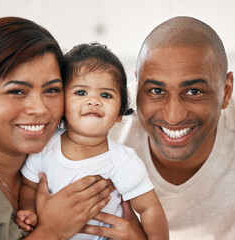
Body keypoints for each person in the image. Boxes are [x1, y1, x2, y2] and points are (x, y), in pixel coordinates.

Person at [0, 16, 144, 240]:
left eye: (51, 90)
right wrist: (51, 232)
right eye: (17, 91)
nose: (39, 109)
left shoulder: (62, 158)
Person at [109, 16, 235, 239]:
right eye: (156, 91)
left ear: (226, 90)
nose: (173, 117)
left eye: (194, 91)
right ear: (137, 87)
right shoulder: (100, 129)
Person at [15, 43, 169, 240]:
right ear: (61, 104)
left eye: (105, 95)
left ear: (120, 113)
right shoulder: (45, 146)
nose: (93, 101)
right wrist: (27, 210)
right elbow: (29, 186)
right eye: (81, 93)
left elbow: (150, 209)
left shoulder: (123, 161)